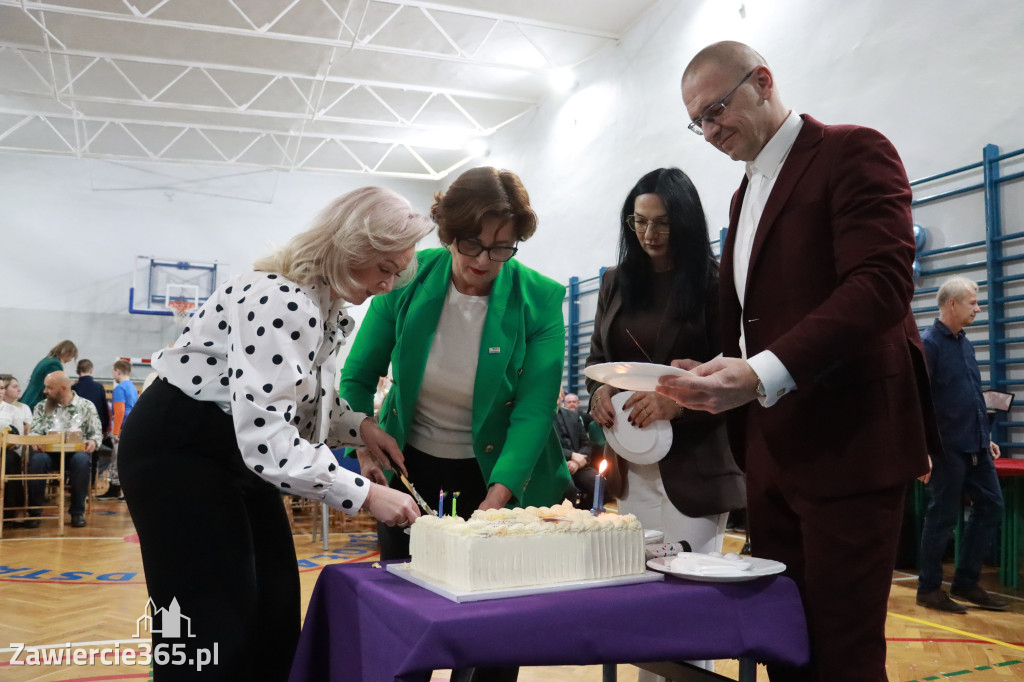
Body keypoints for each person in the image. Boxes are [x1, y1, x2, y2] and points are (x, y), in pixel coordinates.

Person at [661, 42, 939, 681]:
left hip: (849, 444)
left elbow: (880, 285)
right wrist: (720, 367)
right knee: (784, 645)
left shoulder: (852, 151)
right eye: (697, 122)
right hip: (773, 451)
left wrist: (759, 372)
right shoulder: (743, 196)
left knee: (842, 652)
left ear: (763, 82)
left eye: (716, 110)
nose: (710, 131)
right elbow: (768, 321)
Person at [118, 186, 432, 682]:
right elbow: (268, 442)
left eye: (397, 273)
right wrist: (368, 495)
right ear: (350, 246)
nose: (387, 284)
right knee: (211, 625)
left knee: (275, 608)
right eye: (384, 268)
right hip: (180, 451)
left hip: (232, 451)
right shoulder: (282, 299)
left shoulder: (324, 302)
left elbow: (298, 400)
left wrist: (361, 426)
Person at [340, 166, 572, 558]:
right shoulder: (405, 279)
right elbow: (358, 377)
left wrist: (497, 498)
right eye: (471, 244)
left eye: (501, 247)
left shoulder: (540, 299)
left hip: (502, 471)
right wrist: (363, 445)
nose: (484, 260)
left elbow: (534, 411)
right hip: (410, 469)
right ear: (448, 235)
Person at [586, 168, 745, 557]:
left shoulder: (715, 283)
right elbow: (598, 361)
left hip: (696, 467)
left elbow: (736, 373)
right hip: (630, 457)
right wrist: (599, 393)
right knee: (636, 575)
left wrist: (678, 403)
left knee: (692, 576)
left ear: (685, 223)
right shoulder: (614, 282)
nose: (649, 234)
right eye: (639, 222)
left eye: (663, 223)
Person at [917, 277, 1008, 613]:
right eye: (972, 302)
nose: (978, 309)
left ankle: (967, 582)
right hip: (946, 447)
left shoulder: (965, 344)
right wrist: (922, 450)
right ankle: (928, 589)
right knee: (942, 517)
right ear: (952, 304)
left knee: (992, 505)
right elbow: (918, 401)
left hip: (976, 444)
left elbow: (969, 395)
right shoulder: (929, 345)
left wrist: (986, 435)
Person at [27, 371, 102, 528]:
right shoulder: (41, 407)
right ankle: (34, 512)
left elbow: (96, 433)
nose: (45, 391)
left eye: (49, 387)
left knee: (81, 460)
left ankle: (77, 513)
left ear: (62, 388)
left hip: (76, 452)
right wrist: (35, 441)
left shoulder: (86, 406)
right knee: (37, 461)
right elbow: (34, 431)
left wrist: (93, 442)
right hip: (48, 453)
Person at [97, 360, 138, 500]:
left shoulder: (120, 389)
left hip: (121, 428)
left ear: (118, 371)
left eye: (113, 372)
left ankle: (115, 488)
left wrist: (115, 432)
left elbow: (119, 412)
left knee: (116, 459)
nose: (113, 375)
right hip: (131, 427)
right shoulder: (132, 387)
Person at [554, 387, 595, 508]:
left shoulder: (574, 416)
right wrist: (571, 456)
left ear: (562, 395)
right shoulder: (542, 418)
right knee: (568, 490)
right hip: (557, 465)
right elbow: (547, 446)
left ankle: (583, 513)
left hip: (578, 465)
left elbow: (586, 443)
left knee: (600, 484)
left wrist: (577, 462)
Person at [1, 374, 32, 517]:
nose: (0, 391)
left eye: (2, 388)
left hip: (8, 449)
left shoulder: (14, 410)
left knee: (10, 459)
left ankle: (10, 510)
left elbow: (19, 436)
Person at [22, 340, 77, 409]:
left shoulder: (47, 360)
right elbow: (55, 387)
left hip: (29, 398)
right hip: (37, 401)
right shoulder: (55, 364)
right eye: (71, 356)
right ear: (66, 353)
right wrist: (70, 384)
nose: (70, 360)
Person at [71, 359, 111, 438]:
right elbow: (104, 409)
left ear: (78, 371)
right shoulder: (99, 387)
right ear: (91, 370)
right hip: (95, 427)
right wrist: (105, 428)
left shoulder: (74, 388)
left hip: (78, 428)